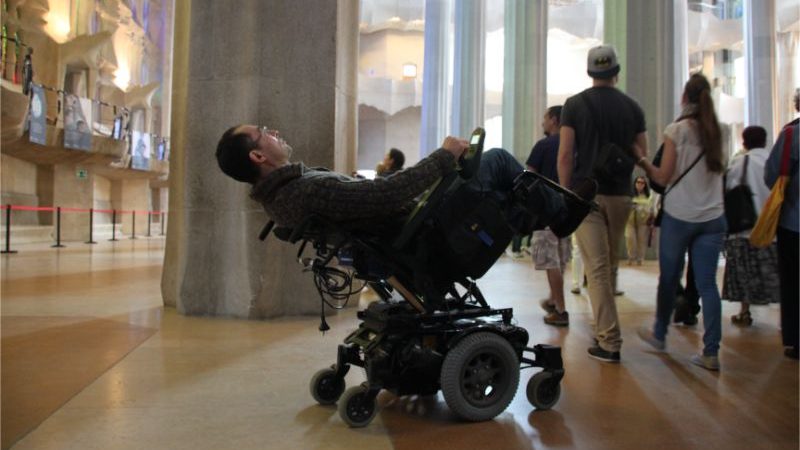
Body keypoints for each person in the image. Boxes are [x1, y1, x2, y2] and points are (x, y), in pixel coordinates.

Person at [215, 125, 579, 236]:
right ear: (258, 157)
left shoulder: (284, 196)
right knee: (498, 160)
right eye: (263, 133)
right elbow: (387, 193)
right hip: (427, 221)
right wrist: (443, 156)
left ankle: (541, 215)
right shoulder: (304, 189)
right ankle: (562, 216)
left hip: (414, 221)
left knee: (498, 187)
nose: (274, 132)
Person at [557, 45, 648, 363]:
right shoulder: (633, 107)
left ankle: (609, 342)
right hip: (621, 194)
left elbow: (566, 154)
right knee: (607, 267)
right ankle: (604, 332)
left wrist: (565, 193)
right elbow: (641, 154)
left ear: (590, 72)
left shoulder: (574, 105)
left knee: (595, 269)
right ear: (616, 72)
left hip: (587, 195)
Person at [635, 73, 727, 371]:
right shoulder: (722, 131)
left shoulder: (677, 131)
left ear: (685, 99)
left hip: (680, 216)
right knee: (708, 285)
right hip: (713, 217)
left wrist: (643, 160)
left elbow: (662, 177)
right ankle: (711, 352)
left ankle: (659, 334)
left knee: (669, 277)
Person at [722, 126, 779, 327]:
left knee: (745, 272)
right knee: (777, 273)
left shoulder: (740, 162)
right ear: (765, 141)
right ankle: (784, 317)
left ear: (744, 142)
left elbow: (728, 189)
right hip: (773, 227)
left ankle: (744, 312)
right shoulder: (774, 161)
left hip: (746, 226)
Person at [527, 106, 571, 326]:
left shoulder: (543, 146)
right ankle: (554, 301)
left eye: (545, 118)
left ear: (554, 120)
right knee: (560, 259)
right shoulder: (573, 145)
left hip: (545, 212)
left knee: (550, 260)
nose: (543, 122)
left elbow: (528, 176)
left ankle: (561, 310)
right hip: (568, 212)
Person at [764, 90, 799, 359]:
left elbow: (772, 175)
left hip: (793, 222)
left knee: (793, 281)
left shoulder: (790, 136)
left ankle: (796, 338)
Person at [625, 176, 653, 266]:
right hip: (630, 221)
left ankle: (640, 258)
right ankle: (631, 257)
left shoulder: (648, 196)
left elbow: (651, 208)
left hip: (643, 222)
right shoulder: (629, 194)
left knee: (642, 240)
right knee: (630, 238)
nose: (640, 184)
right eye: (638, 182)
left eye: (642, 183)